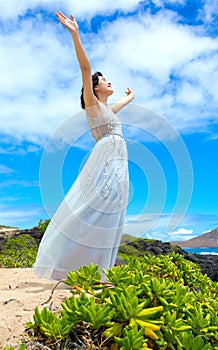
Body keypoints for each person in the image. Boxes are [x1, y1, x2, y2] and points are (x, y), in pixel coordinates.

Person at [33, 12, 134, 280]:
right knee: (94, 207)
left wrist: (131, 96)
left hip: (117, 161)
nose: (108, 81)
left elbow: (122, 105)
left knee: (113, 208)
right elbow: (85, 69)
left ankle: (98, 270)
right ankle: (69, 264)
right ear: (95, 88)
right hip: (105, 160)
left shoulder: (107, 109)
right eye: (104, 80)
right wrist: (75, 35)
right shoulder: (92, 106)